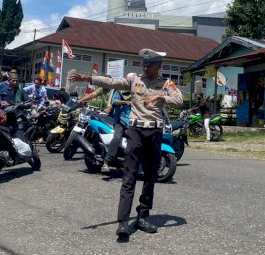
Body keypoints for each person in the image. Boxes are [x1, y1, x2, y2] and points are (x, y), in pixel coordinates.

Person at [69, 49, 182, 241]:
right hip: (135, 132)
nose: (145, 68)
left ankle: (142, 216)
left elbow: (179, 100)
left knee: (149, 176)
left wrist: (161, 97)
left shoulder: (166, 84)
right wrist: (86, 77)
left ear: (159, 66)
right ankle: (122, 222)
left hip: (154, 133)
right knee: (128, 176)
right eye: (143, 65)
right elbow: (111, 82)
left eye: (149, 65)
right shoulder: (134, 81)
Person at [101, 73, 136, 173]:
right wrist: (125, 102)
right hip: (120, 121)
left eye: (132, 81)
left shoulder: (137, 91)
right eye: (129, 80)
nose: (131, 82)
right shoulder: (120, 90)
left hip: (133, 121)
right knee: (116, 137)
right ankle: (106, 162)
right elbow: (114, 102)